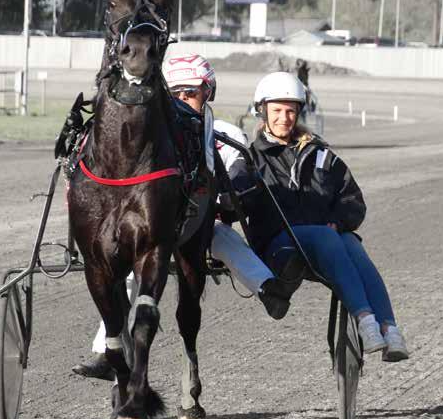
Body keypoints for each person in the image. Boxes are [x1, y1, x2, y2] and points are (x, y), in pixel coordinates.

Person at [72, 55, 292, 379]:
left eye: (190, 94)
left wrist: (226, 196)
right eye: (175, 95)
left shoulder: (224, 133)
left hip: (200, 223)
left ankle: (267, 288)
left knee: (219, 237)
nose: (183, 102)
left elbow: (239, 175)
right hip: (150, 228)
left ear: (208, 93)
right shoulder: (153, 139)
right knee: (130, 270)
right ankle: (107, 350)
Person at [232, 71, 409, 362]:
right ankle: (366, 320)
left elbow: (353, 200)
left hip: (329, 247)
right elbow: (237, 199)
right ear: (262, 111)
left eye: (291, 111)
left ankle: (390, 330)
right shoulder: (250, 160)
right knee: (328, 235)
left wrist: (339, 221)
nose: (284, 118)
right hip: (280, 248)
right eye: (277, 110)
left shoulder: (322, 155)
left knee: (352, 243)